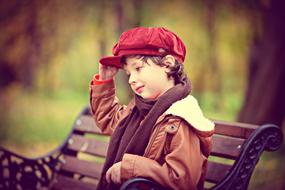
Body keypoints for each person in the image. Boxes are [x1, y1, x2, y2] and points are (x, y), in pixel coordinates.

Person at [89, 27, 215, 190]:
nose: (131, 80)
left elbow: (181, 180)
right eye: (128, 73)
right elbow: (109, 120)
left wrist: (129, 169)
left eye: (138, 68)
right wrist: (105, 81)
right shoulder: (139, 110)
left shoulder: (181, 118)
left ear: (168, 64)